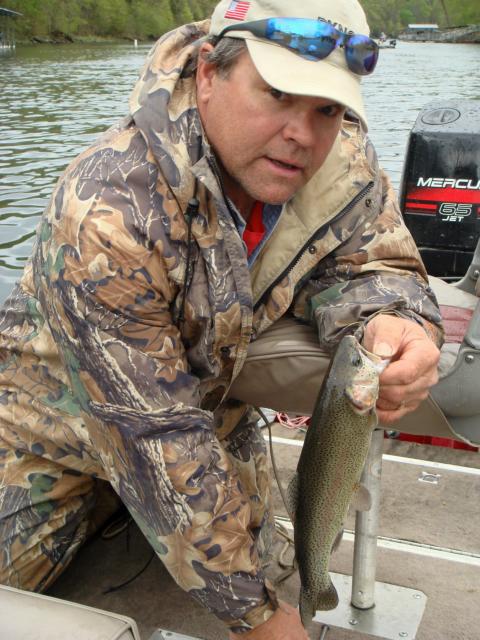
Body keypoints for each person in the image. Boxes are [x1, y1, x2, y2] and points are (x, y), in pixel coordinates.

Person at [0, 0, 442, 638]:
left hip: (201, 417)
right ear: (209, 71)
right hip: (48, 435)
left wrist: (396, 320)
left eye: (326, 108)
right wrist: (261, 621)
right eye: (279, 93)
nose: (303, 133)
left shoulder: (340, 160)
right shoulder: (108, 210)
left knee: (255, 561)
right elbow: (158, 445)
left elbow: (375, 263)